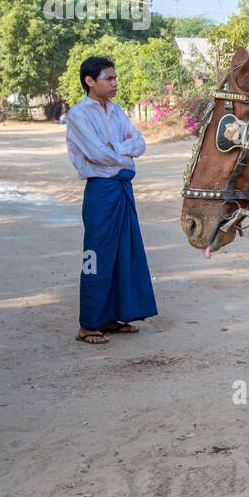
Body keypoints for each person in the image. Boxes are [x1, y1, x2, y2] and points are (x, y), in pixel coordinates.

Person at [65, 56, 158, 344]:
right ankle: (89, 323)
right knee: (96, 254)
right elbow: (95, 153)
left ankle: (114, 316)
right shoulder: (78, 115)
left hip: (122, 189)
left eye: (115, 78)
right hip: (101, 191)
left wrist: (117, 148)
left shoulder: (117, 112)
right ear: (90, 81)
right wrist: (122, 154)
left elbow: (139, 144)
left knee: (124, 251)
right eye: (109, 78)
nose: (115, 83)